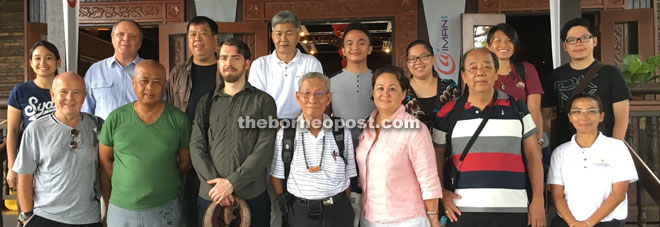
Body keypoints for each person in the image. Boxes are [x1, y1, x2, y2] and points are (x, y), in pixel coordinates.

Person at [432, 48, 545, 227]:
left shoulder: (517, 107)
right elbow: (436, 157)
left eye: (486, 67)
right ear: (464, 75)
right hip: (462, 210)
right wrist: (442, 193)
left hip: (514, 208)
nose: (480, 72)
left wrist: (538, 200)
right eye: (473, 68)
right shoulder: (448, 112)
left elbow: (533, 155)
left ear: (496, 73)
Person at [190, 38, 276, 227]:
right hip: (210, 196)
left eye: (235, 58)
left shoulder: (263, 102)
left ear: (246, 64)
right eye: (223, 58)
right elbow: (196, 147)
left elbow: (264, 147)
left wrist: (232, 183)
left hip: (252, 194)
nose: (228, 63)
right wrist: (219, 187)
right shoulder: (206, 103)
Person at [99, 60, 191, 227]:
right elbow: (105, 160)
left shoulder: (179, 120)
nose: (150, 87)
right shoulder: (115, 118)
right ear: (133, 83)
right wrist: (125, 182)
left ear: (165, 86)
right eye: (144, 81)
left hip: (164, 205)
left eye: (157, 82)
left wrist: (159, 179)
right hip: (122, 206)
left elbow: (185, 163)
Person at [356, 66, 442, 227]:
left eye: (392, 89)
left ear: (403, 94)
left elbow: (428, 178)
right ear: (373, 92)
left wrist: (433, 218)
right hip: (369, 217)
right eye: (380, 88)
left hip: (406, 220)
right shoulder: (367, 125)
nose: (385, 94)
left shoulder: (415, 129)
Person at [13, 72, 102, 227]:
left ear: (84, 96)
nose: (70, 98)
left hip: (89, 217)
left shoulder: (98, 125)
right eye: (64, 92)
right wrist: (26, 216)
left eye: (76, 92)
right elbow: (24, 176)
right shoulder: (36, 129)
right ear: (52, 95)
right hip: (45, 216)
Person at [271, 72, 357, 227]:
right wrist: (287, 208)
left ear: (328, 98)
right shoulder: (286, 133)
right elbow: (276, 177)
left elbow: (349, 175)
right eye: (306, 93)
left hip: (338, 212)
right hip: (299, 214)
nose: (312, 99)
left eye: (319, 93)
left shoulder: (341, 131)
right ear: (298, 97)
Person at [548, 92, 637, 227]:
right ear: (570, 117)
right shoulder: (560, 152)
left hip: (607, 223)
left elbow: (619, 194)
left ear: (601, 116)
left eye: (591, 111)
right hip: (568, 223)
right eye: (577, 112)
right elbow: (557, 196)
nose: (583, 117)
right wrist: (573, 223)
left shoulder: (617, 148)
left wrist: (589, 223)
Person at [542, 18, 631, 148]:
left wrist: (614, 149)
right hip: (567, 148)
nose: (578, 44)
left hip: (603, 148)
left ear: (594, 41)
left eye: (584, 38)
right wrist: (546, 149)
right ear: (565, 46)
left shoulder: (611, 73)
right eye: (571, 40)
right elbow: (545, 117)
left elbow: (621, 118)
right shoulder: (554, 76)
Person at [166, 15, 220, 227]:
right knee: (186, 202)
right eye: (192, 34)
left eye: (203, 33)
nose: (197, 39)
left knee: (214, 206)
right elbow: (170, 108)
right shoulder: (178, 72)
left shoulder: (226, 70)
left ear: (215, 39)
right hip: (185, 147)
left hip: (217, 149)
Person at [248, 10, 323, 119]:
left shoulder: (311, 63)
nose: (283, 39)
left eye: (289, 33)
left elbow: (316, 97)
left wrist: (299, 123)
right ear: (273, 36)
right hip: (269, 125)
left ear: (298, 36)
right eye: (278, 34)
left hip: (302, 124)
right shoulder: (260, 64)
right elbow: (256, 100)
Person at [6, 41, 60, 190]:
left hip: (62, 156)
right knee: (29, 205)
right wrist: (12, 166)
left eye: (49, 58)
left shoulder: (66, 89)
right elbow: (12, 131)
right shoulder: (20, 91)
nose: (43, 62)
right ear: (30, 62)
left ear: (58, 61)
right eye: (37, 58)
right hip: (31, 157)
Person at [485, 24, 544, 147]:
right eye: (498, 40)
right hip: (489, 139)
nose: (504, 45)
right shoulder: (481, 74)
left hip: (522, 139)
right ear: (488, 46)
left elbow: (534, 110)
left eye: (509, 41)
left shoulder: (526, 69)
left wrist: (537, 141)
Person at [82, 19, 145, 120]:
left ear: (140, 43)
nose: (126, 39)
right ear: (112, 39)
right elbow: (85, 110)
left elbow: (160, 107)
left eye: (133, 36)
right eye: (120, 34)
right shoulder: (95, 70)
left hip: (139, 134)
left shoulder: (150, 71)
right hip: (103, 133)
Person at [328, 22, 376, 147]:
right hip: (340, 147)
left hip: (374, 147)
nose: (355, 47)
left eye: (361, 43)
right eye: (350, 43)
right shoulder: (329, 81)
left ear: (369, 49)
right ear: (343, 50)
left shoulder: (380, 80)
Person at [403, 39, 459, 131]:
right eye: (412, 58)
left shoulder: (449, 87)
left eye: (423, 56)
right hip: (411, 145)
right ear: (408, 63)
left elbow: (459, 117)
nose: (418, 62)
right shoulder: (401, 89)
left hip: (447, 144)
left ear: (433, 59)